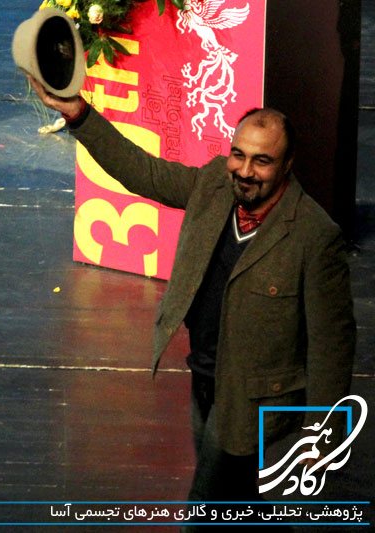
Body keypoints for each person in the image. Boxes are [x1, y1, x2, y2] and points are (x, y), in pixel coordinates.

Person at [27, 75, 356, 507]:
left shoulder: (315, 236)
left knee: (205, 508)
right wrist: (79, 115)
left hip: (255, 401)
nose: (245, 171)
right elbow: (143, 172)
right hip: (203, 377)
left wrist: (323, 434)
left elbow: (333, 344)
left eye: (262, 161)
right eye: (238, 155)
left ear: (287, 163)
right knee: (241, 504)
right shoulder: (215, 184)